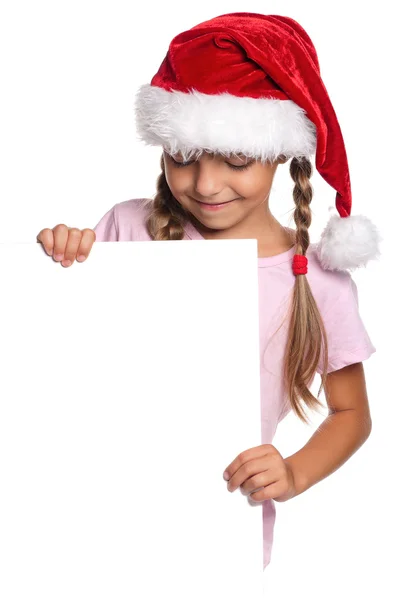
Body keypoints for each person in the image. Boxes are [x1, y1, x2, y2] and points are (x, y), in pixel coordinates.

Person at [36, 12, 382, 570]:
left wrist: (293, 472)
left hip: (219, 537)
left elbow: (351, 414)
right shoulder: (127, 227)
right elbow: (55, 355)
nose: (205, 183)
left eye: (237, 161)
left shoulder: (315, 277)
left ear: (280, 153)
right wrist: (67, 253)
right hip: (99, 525)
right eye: (183, 158)